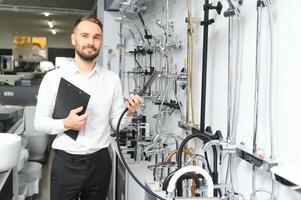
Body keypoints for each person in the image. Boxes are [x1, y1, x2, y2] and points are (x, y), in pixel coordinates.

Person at [34, 16, 143, 200]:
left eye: (96, 37)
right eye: (85, 35)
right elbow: (39, 122)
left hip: (100, 161)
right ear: (74, 39)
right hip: (66, 161)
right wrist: (66, 123)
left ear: (100, 41)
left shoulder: (111, 79)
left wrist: (129, 112)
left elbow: (116, 123)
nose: (90, 42)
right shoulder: (53, 78)